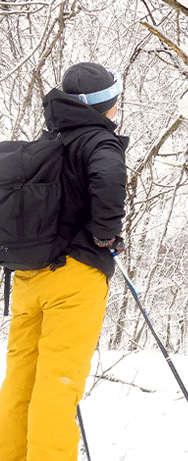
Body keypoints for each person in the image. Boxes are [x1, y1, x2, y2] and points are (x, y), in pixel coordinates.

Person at [0, 62, 128, 461]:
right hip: (75, 277)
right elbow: (108, 176)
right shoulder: (98, 141)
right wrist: (105, 235)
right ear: (106, 104)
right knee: (59, 381)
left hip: (29, 275)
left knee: (20, 380)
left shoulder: (50, 137)